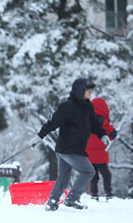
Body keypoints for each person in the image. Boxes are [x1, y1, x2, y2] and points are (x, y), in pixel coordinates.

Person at [29, 78, 111, 211]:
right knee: (88, 171)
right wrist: (39, 137)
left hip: (70, 149)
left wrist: (102, 134)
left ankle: (52, 203)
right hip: (69, 149)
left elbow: (95, 124)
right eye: (87, 89)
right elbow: (52, 123)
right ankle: (72, 199)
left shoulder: (88, 107)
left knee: (63, 177)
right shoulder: (67, 107)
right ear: (80, 90)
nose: (90, 92)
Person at [85, 98, 118, 201]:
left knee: (94, 175)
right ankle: (109, 193)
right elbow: (113, 135)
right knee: (106, 174)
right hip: (101, 155)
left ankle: (94, 194)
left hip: (89, 155)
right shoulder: (103, 122)